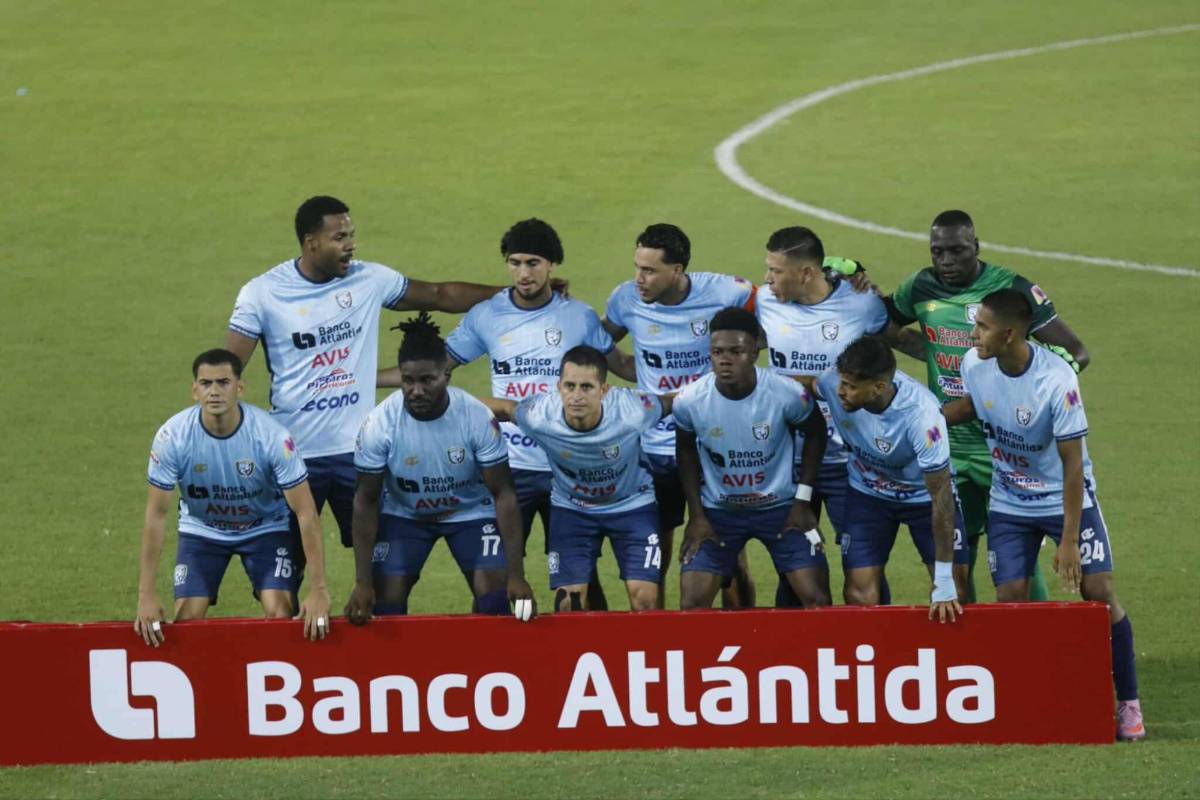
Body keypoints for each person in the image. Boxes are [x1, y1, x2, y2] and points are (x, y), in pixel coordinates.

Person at [224, 195, 525, 551]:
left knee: (379, 562)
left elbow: (438, 294)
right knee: (284, 564)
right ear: (311, 242)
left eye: (351, 235)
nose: (350, 245)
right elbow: (226, 369)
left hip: (360, 451)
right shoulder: (263, 293)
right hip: (294, 452)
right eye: (339, 238)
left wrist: (510, 292)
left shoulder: (368, 279)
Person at [945, 289, 1144, 740]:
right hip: (1010, 502)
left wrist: (1070, 540)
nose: (973, 335)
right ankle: (1033, 699)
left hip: (1064, 499)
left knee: (1098, 592)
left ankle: (1128, 702)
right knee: (1011, 600)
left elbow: (1073, 465)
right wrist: (929, 420)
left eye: (982, 327)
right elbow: (977, 404)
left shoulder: (1056, 381)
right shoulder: (974, 365)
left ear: (1010, 333)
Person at [879, 210, 1089, 603]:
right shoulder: (920, 288)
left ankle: (1033, 640)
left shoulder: (1011, 289)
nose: (946, 261)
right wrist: (928, 351)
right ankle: (973, 653)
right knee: (958, 556)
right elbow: (880, 323)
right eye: (937, 251)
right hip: (949, 444)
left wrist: (1035, 392)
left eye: (957, 250)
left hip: (1005, 449)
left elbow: (1077, 352)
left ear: (976, 246)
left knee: (1016, 561)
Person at [443, 218, 619, 609]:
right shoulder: (487, 316)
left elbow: (617, 364)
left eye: (534, 263)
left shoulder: (579, 317)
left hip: (567, 465)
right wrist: (367, 376)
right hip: (510, 468)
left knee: (579, 580)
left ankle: (595, 652)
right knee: (493, 580)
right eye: (515, 262)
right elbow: (438, 368)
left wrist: (688, 373)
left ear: (552, 264)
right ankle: (499, 664)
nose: (524, 273)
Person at [602, 223, 757, 607]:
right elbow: (599, 344)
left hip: (714, 443)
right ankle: (661, 640)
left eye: (650, 270)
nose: (639, 278)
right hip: (654, 447)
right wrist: (636, 373)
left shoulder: (727, 291)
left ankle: (745, 632)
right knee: (656, 548)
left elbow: (774, 312)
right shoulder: (625, 299)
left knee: (727, 555)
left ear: (678, 270)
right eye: (637, 267)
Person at [343, 313, 534, 623]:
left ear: (447, 374)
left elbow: (504, 494)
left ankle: (486, 664)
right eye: (408, 380)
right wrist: (363, 582)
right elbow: (365, 501)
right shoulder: (379, 424)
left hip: (470, 512)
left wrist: (516, 574)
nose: (415, 390)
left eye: (427, 380)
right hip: (406, 515)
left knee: (494, 596)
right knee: (385, 602)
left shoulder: (476, 417)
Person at [135, 349, 331, 646]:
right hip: (203, 529)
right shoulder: (172, 438)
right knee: (187, 617)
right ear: (194, 390)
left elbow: (305, 512)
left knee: (280, 613)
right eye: (206, 383)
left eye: (223, 382)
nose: (214, 391)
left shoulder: (271, 437)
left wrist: (318, 589)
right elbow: (156, 514)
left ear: (240, 388)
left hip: (265, 526)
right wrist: (146, 594)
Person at [755, 227, 896, 607]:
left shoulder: (862, 303)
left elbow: (886, 360)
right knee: (795, 569)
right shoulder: (763, 301)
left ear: (806, 273)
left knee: (864, 568)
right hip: (785, 462)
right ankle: (797, 659)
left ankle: (876, 654)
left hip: (849, 462)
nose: (767, 278)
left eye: (775, 270)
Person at [483, 346, 670, 612]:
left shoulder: (633, 410)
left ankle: (643, 653)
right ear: (558, 387)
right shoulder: (540, 415)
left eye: (586, 387)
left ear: (604, 390)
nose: (576, 396)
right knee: (567, 605)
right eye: (569, 386)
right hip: (573, 509)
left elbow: (676, 402)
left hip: (632, 506)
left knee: (645, 600)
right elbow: (503, 407)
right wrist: (449, 403)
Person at [674, 307, 831, 609]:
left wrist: (802, 501)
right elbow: (685, 450)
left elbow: (816, 433)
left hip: (781, 509)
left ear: (754, 351)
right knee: (692, 604)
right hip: (719, 513)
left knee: (817, 600)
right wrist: (696, 515)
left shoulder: (787, 394)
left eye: (736, 351)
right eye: (717, 351)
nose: (725, 359)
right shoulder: (690, 401)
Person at [814, 336, 968, 621]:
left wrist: (944, 578)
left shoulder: (921, 416)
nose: (840, 392)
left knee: (955, 592)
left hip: (923, 498)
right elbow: (809, 388)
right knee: (859, 597)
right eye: (841, 382)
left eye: (850, 387)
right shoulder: (831, 384)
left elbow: (941, 497)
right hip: (868, 494)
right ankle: (874, 660)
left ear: (879, 387)